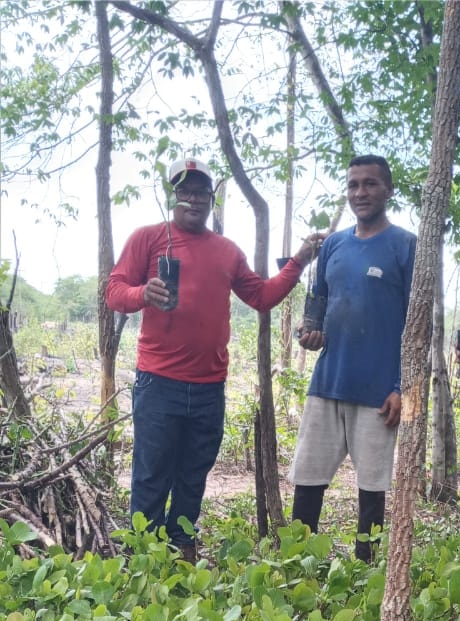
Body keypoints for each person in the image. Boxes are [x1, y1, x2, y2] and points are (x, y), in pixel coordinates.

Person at [106, 157, 320, 561]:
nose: (192, 198)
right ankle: (143, 557)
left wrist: (299, 260)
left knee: (192, 475)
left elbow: (261, 296)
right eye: (184, 190)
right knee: (151, 475)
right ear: (174, 195)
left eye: (200, 191)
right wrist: (141, 295)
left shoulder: (226, 251)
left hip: (208, 387)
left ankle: (182, 546)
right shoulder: (149, 238)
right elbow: (114, 290)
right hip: (158, 382)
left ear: (212, 198)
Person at [289, 154, 416, 560]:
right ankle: (298, 562)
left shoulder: (406, 246)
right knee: (307, 479)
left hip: (381, 392)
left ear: (388, 190)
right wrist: (311, 335)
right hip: (328, 382)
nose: (360, 192)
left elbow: (419, 327)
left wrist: (405, 391)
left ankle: (365, 569)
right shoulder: (334, 246)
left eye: (370, 184)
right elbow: (319, 306)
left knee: (372, 488)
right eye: (353, 185)